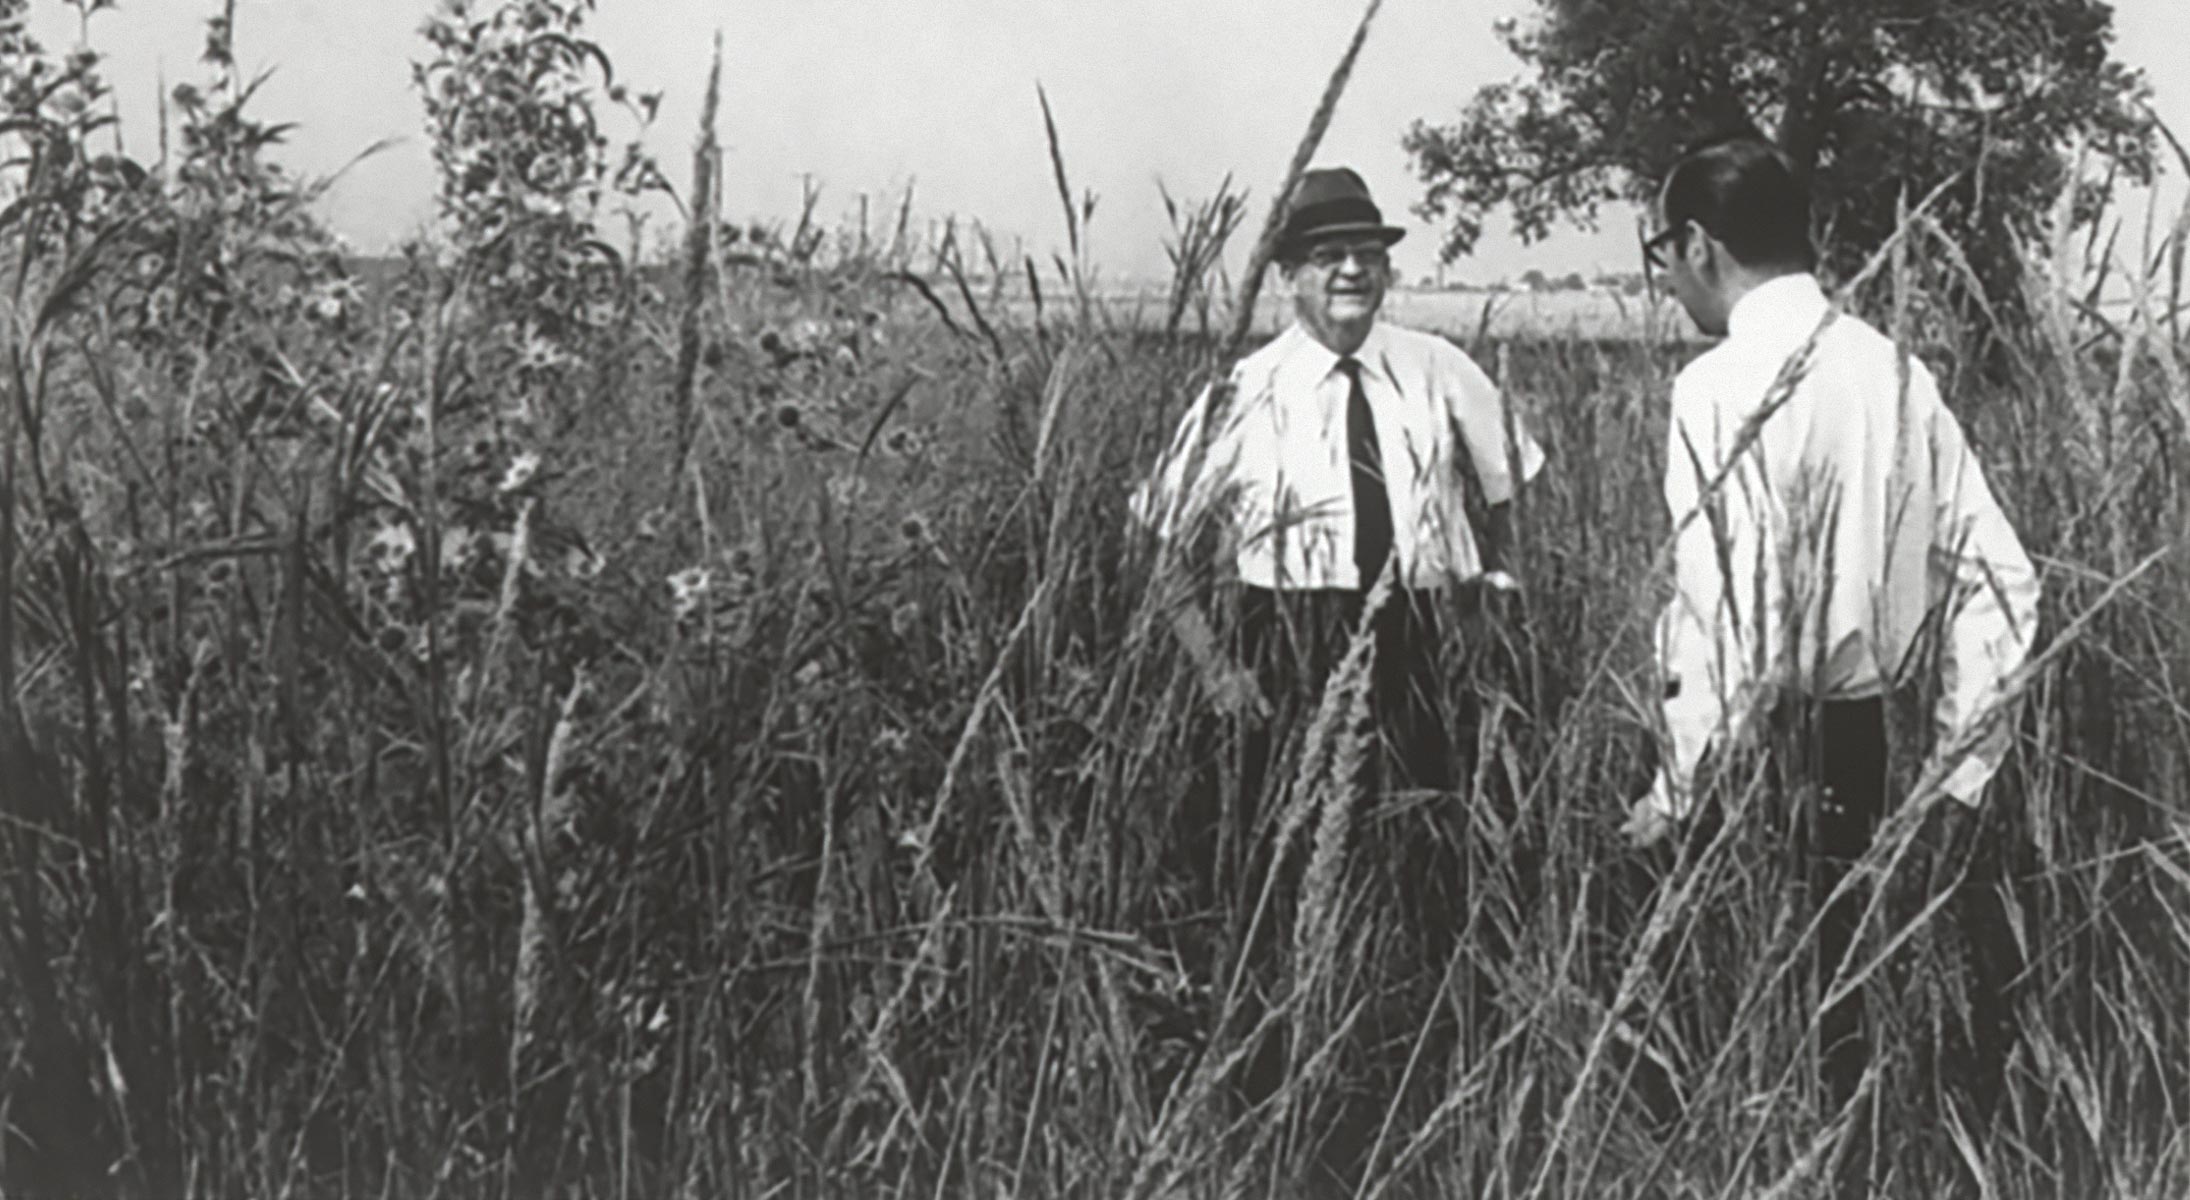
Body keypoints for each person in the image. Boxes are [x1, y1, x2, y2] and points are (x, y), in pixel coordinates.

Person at [1624, 132, 2041, 1195]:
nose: (1664, 278)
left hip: (1757, 761)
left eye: (1660, 251)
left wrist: (1676, 790)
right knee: (1857, 1020)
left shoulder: (1717, 388)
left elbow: (1727, 616)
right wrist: (1959, 771)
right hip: (1881, 749)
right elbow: (2004, 576)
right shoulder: (1896, 371)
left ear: (1701, 245)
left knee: (1748, 1036)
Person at [1131, 165, 1546, 1188]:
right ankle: (1278, 1096)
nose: (1354, 268)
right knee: (1278, 883)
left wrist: (1491, 602)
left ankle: (1442, 1081)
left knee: (1439, 871)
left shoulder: (1443, 369)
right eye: (1328, 256)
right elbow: (1167, 555)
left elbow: (1517, 503)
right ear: (1287, 276)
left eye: (1368, 251)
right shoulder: (1241, 390)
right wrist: (1222, 673)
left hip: (1426, 641)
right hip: (1290, 646)